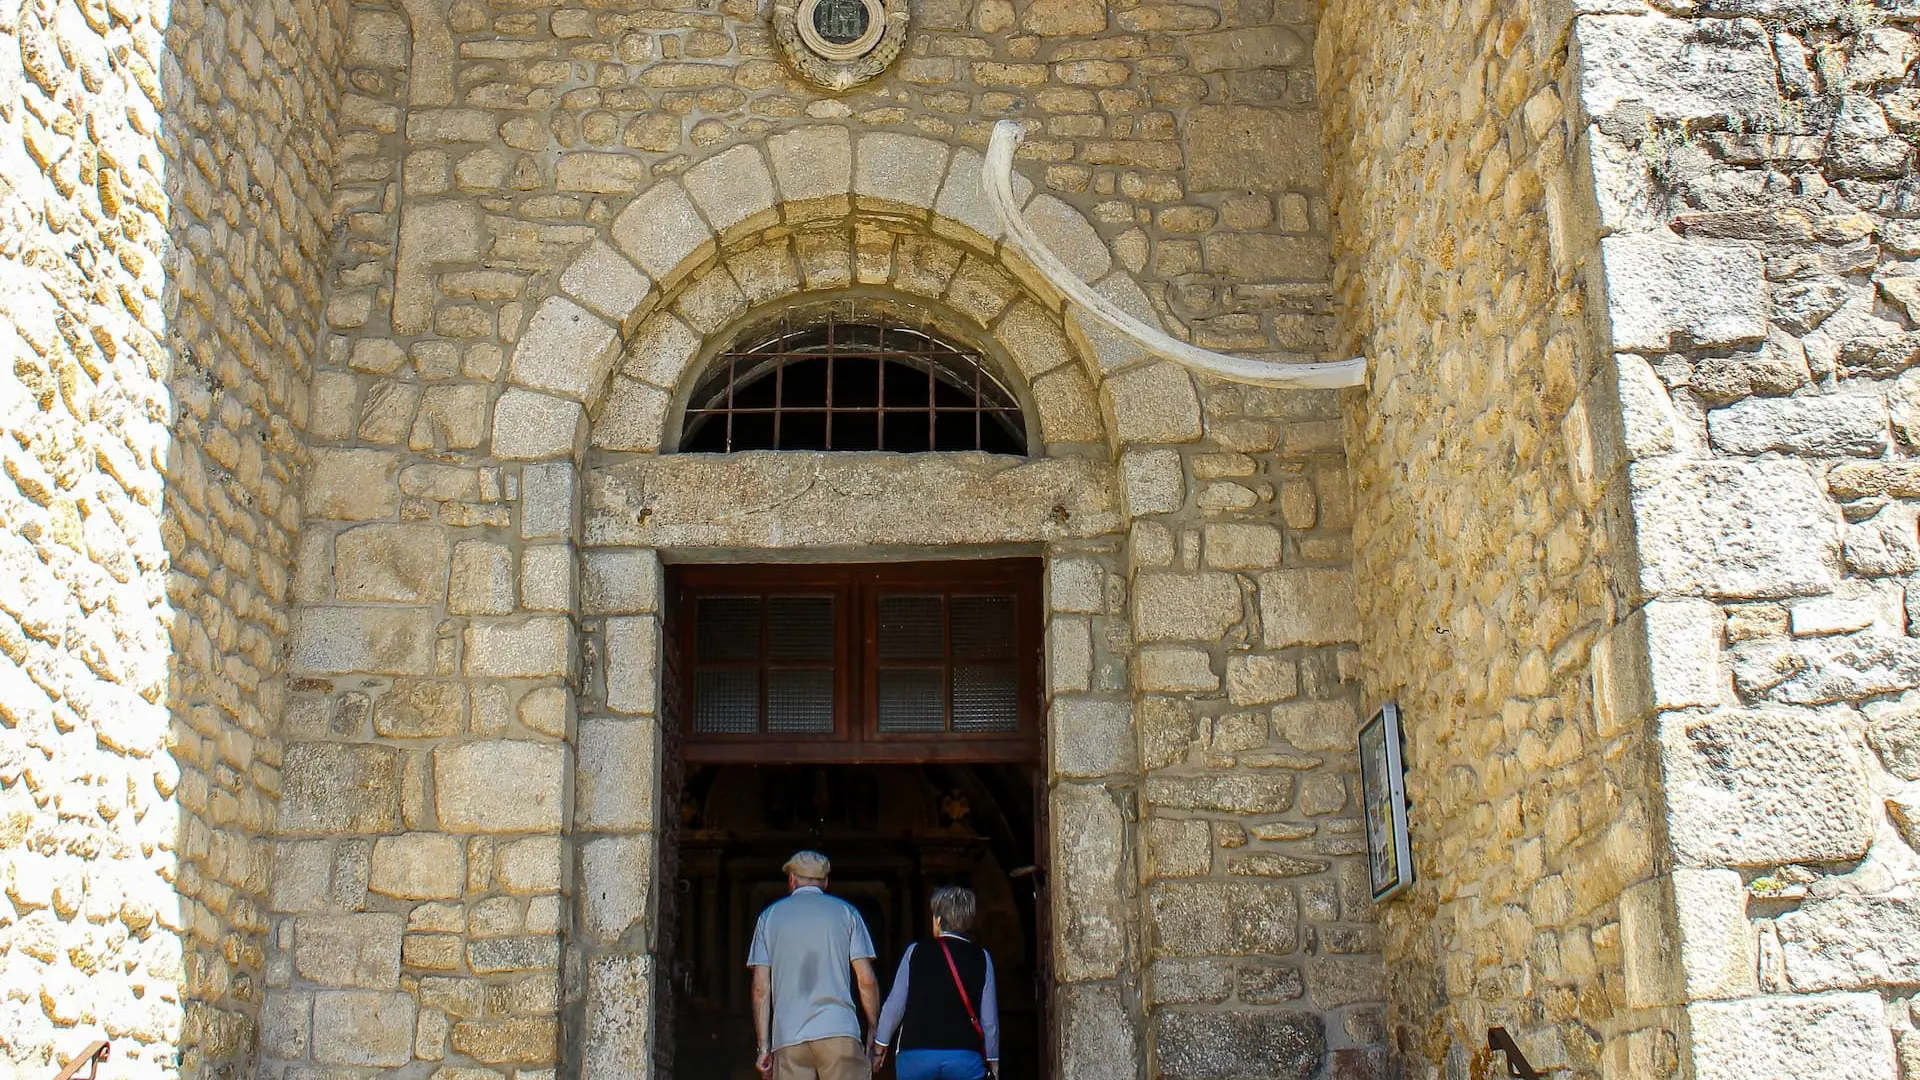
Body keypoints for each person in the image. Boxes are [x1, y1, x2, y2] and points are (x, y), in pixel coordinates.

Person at [749, 850, 882, 1080]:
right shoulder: (847, 913)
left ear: (791, 880)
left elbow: (760, 989)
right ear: (826, 882)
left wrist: (764, 1047)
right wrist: (874, 1028)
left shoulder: (768, 918)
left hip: (788, 1036)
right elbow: (866, 981)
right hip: (839, 1029)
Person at [868, 886, 1000, 1080]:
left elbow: (895, 1004)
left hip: (916, 1053)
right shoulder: (982, 957)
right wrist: (993, 1060)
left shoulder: (915, 952)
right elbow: (989, 1020)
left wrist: (880, 1045)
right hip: (964, 1056)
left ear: (938, 920)